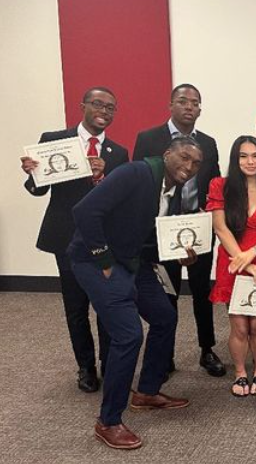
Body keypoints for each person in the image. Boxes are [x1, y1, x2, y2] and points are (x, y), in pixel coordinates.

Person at [67, 137, 202, 450]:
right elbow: (85, 211)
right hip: (94, 260)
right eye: (184, 157)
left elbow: (144, 232)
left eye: (196, 163)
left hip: (132, 260)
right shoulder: (135, 173)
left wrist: (177, 254)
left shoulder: (172, 188)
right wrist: (102, 259)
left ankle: (146, 392)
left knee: (165, 317)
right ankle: (108, 421)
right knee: (128, 336)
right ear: (167, 153)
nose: (189, 167)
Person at [20, 86, 129, 393]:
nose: (104, 111)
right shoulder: (54, 141)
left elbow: (121, 200)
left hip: (103, 242)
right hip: (66, 238)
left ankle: (110, 365)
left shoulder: (118, 153)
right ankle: (86, 367)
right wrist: (31, 173)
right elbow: (37, 189)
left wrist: (107, 177)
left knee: (106, 305)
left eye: (110, 107)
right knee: (76, 306)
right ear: (83, 105)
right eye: (98, 104)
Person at [133, 83, 223, 378]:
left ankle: (207, 349)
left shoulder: (208, 142)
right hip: (162, 230)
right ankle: (165, 354)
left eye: (195, 102)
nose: (189, 106)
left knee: (201, 291)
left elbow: (214, 183)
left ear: (200, 109)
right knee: (167, 292)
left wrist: (209, 212)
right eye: (182, 101)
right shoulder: (148, 138)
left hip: (198, 227)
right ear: (170, 105)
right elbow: (140, 182)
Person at [207, 136, 256, 396]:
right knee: (240, 325)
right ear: (235, 158)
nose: (250, 161)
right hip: (232, 260)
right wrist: (242, 259)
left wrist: (251, 255)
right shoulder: (221, 186)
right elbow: (220, 227)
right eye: (243, 156)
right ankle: (241, 372)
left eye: (255, 156)